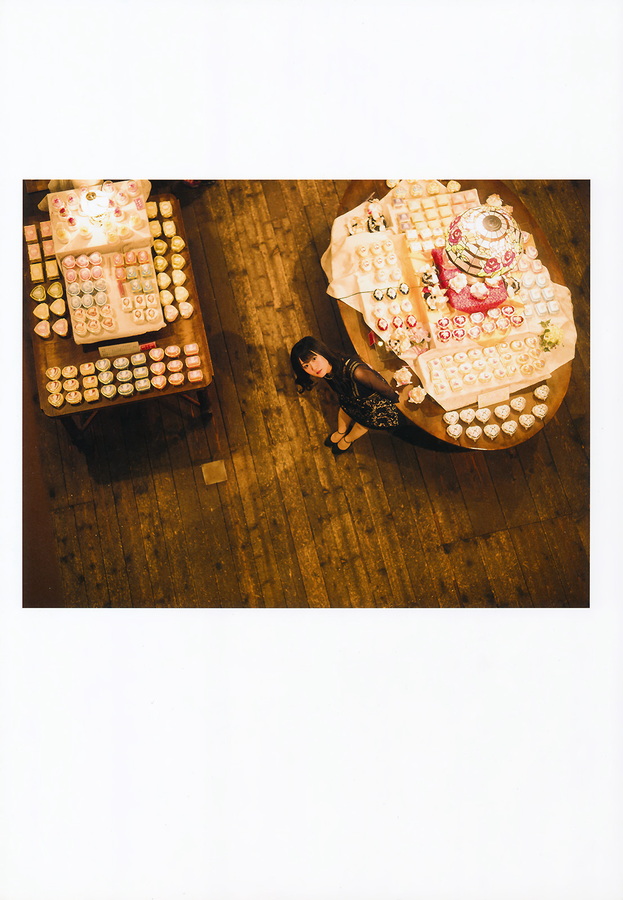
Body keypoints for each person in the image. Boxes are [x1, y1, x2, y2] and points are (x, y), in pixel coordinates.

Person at [290, 336, 405, 456]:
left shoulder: (357, 372)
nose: (313, 368)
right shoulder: (326, 369)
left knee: (361, 425)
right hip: (350, 398)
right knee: (344, 410)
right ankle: (341, 432)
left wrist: (396, 400)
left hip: (371, 405)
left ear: (322, 351)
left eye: (314, 359)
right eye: (306, 366)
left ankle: (348, 439)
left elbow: (385, 390)